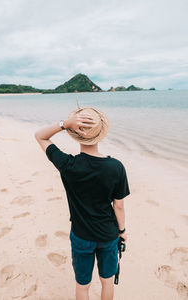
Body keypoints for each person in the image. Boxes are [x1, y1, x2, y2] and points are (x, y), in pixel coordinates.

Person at [34, 106, 130, 300]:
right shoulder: (116, 167)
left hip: (81, 235)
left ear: (74, 135)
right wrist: (122, 231)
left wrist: (64, 124)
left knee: (82, 285)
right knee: (107, 281)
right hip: (108, 235)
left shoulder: (68, 165)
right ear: (100, 134)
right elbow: (118, 206)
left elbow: (40, 136)